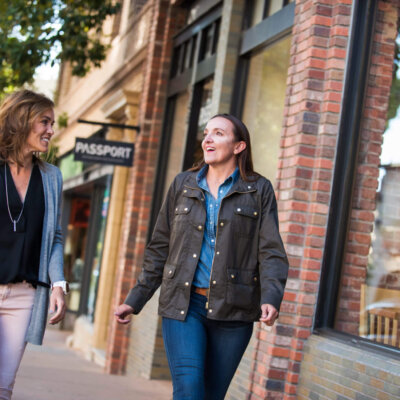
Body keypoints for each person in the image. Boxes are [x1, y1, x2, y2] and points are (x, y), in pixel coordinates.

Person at [115, 114, 289, 399]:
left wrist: (271, 296)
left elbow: (270, 249)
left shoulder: (258, 189)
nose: (207, 139)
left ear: (238, 146)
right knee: (189, 388)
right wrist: (135, 300)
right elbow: (160, 247)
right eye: (206, 133)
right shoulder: (184, 184)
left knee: (211, 394)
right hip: (184, 304)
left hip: (234, 308)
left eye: (218, 133)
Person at [0, 89, 68, 399]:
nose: (51, 131)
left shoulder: (51, 177)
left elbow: (54, 237)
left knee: (4, 384)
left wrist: (58, 285)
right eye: (45, 122)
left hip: (25, 297)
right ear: (22, 121)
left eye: (52, 123)